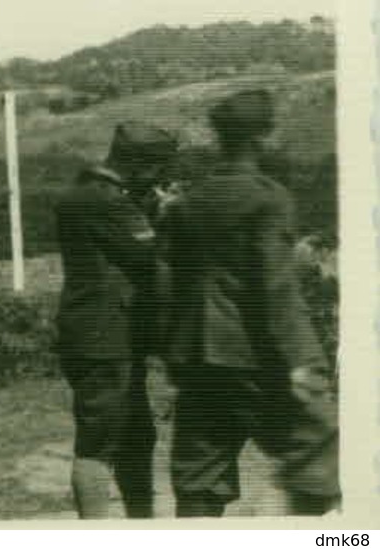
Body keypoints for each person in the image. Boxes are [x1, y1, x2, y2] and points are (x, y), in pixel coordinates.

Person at [163, 88, 339, 517]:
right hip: (257, 359)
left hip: (198, 361)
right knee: (321, 455)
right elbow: (276, 287)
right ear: (263, 136)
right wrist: (304, 359)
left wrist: (172, 352)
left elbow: (167, 280)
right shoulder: (267, 197)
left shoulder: (189, 201)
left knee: (198, 479)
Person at [53, 122, 177, 519]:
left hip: (111, 334)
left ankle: (140, 525)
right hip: (103, 338)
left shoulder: (94, 193)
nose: (162, 177)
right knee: (99, 442)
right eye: (158, 168)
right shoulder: (104, 201)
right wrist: (170, 213)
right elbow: (150, 254)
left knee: (136, 436)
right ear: (141, 166)